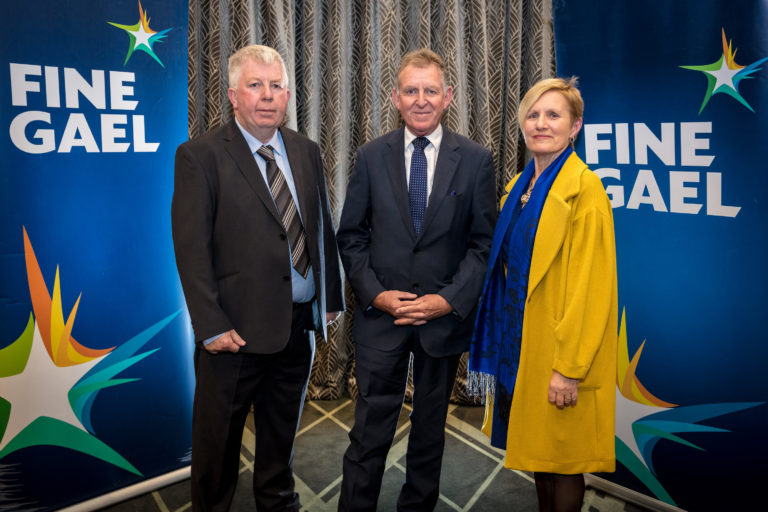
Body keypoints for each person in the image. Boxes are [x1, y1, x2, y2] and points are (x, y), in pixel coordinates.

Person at [171, 44, 344, 512]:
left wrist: (328, 297)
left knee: (281, 439)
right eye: (255, 85)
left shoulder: (305, 151)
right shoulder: (199, 156)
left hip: (296, 330)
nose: (267, 96)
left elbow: (320, 226)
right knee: (217, 449)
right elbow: (191, 248)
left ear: (287, 95)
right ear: (232, 95)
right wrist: (209, 326)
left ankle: (277, 503)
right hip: (233, 335)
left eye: (276, 86)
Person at [336, 48, 497, 511]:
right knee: (368, 431)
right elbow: (351, 237)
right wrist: (377, 295)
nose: (421, 100)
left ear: (448, 97)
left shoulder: (476, 160)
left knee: (430, 432)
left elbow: (482, 245)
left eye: (430, 91)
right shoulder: (370, 156)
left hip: (441, 323)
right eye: (411, 91)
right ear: (396, 98)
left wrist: (447, 301)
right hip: (381, 318)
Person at [469, 77, 618, 512]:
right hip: (521, 346)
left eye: (553, 115)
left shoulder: (585, 190)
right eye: (532, 115)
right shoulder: (519, 185)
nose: (540, 123)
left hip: (559, 353)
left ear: (575, 128)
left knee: (565, 463)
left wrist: (569, 369)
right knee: (540, 454)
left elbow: (593, 289)